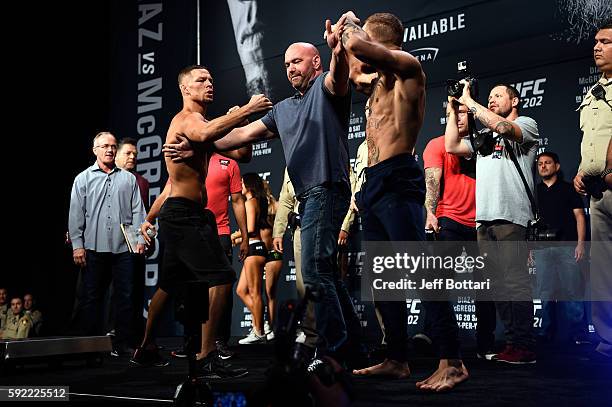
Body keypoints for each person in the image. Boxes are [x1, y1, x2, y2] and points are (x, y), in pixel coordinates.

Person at [165, 31, 357, 358]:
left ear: (316, 62)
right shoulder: (282, 110)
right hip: (307, 196)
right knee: (324, 273)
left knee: (313, 273)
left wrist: (338, 51)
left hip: (327, 188)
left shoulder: (327, 88)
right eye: (285, 64)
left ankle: (332, 353)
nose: (290, 68)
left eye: (296, 61)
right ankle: (350, 348)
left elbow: (340, 75)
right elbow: (239, 136)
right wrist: (196, 143)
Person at [333, 12, 468, 390]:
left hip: (398, 178)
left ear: (378, 40)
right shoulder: (376, 81)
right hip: (372, 182)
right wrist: (337, 50)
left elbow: (357, 46)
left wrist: (349, 26)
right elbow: (349, 74)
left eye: (367, 43)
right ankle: (396, 358)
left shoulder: (410, 67)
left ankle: (452, 361)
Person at [131, 65, 271, 379]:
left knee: (169, 285)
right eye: (201, 80)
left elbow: (241, 152)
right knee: (221, 276)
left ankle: (145, 347)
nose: (209, 84)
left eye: (211, 79)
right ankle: (207, 356)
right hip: (184, 215)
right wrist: (248, 108)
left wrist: (243, 118)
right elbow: (207, 133)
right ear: (185, 89)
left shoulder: (199, 126)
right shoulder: (187, 120)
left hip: (185, 214)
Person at [445, 79, 540, 366]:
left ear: (515, 101)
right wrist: (453, 107)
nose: (492, 99)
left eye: (499, 95)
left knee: (515, 282)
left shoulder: (527, 123)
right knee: (497, 285)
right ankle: (512, 343)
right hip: (484, 220)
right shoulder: (483, 136)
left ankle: (524, 345)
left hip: (511, 216)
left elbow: (504, 127)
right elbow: (451, 145)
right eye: (489, 96)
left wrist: (470, 102)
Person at [422, 105, 497, 361]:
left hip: (482, 224)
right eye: (455, 112)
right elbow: (432, 183)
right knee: (436, 282)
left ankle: (485, 345)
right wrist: (430, 213)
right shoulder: (437, 144)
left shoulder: (484, 144)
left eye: (464, 112)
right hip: (450, 221)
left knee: (485, 288)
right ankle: (433, 335)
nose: (459, 116)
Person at [68, 131, 147, 356]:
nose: (110, 150)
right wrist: (77, 245)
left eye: (113, 146)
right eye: (105, 146)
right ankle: (89, 345)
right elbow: (76, 215)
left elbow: (137, 212)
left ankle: (122, 344)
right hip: (92, 248)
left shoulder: (129, 179)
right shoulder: (83, 179)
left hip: (123, 249)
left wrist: (140, 240)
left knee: (125, 297)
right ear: (95, 150)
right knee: (91, 297)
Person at [573, 21, 612, 359]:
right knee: (602, 268)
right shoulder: (594, 90)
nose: (597, 47)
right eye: (595, 42)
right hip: (598, 194)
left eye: (605, 42)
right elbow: (593, 140)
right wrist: (581, 171)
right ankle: (608, 339)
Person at [535, 151, 588, 344]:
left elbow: (580, 216)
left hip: (568, 247)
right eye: (540, 163)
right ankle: (545, 332)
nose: (543, 166)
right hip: (542, 249)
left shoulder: (568, 189)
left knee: (573, 291)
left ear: (556, 166)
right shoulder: (535, 192)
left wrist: (581, 243)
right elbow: (531, 222)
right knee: (544, 292)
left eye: (547, 163)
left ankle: (578, 333)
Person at [234, 173, 269, 344]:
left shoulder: (250, 201)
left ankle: (259, 330)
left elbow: (251, 228)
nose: (240, 185)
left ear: (249, 185)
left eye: (241, 182)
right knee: (241, 290)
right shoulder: (254, 201)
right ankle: (260, 323)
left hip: (255, 249)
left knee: (255, 293)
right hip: (254, 249)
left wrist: (235, 236)